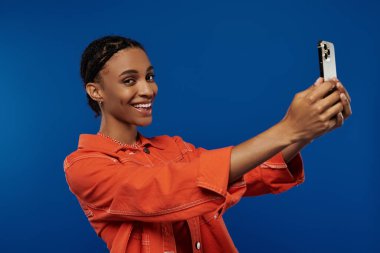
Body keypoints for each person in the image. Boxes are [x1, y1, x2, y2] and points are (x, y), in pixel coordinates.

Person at [63, 35, 352, 253]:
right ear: (96, 91)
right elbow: (164, 190)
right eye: (129, 80)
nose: (147, 89)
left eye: (150, 76)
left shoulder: (173, 148)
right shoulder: (84, 165)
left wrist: (307, 131)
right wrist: (288, 129)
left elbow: (243, 173)